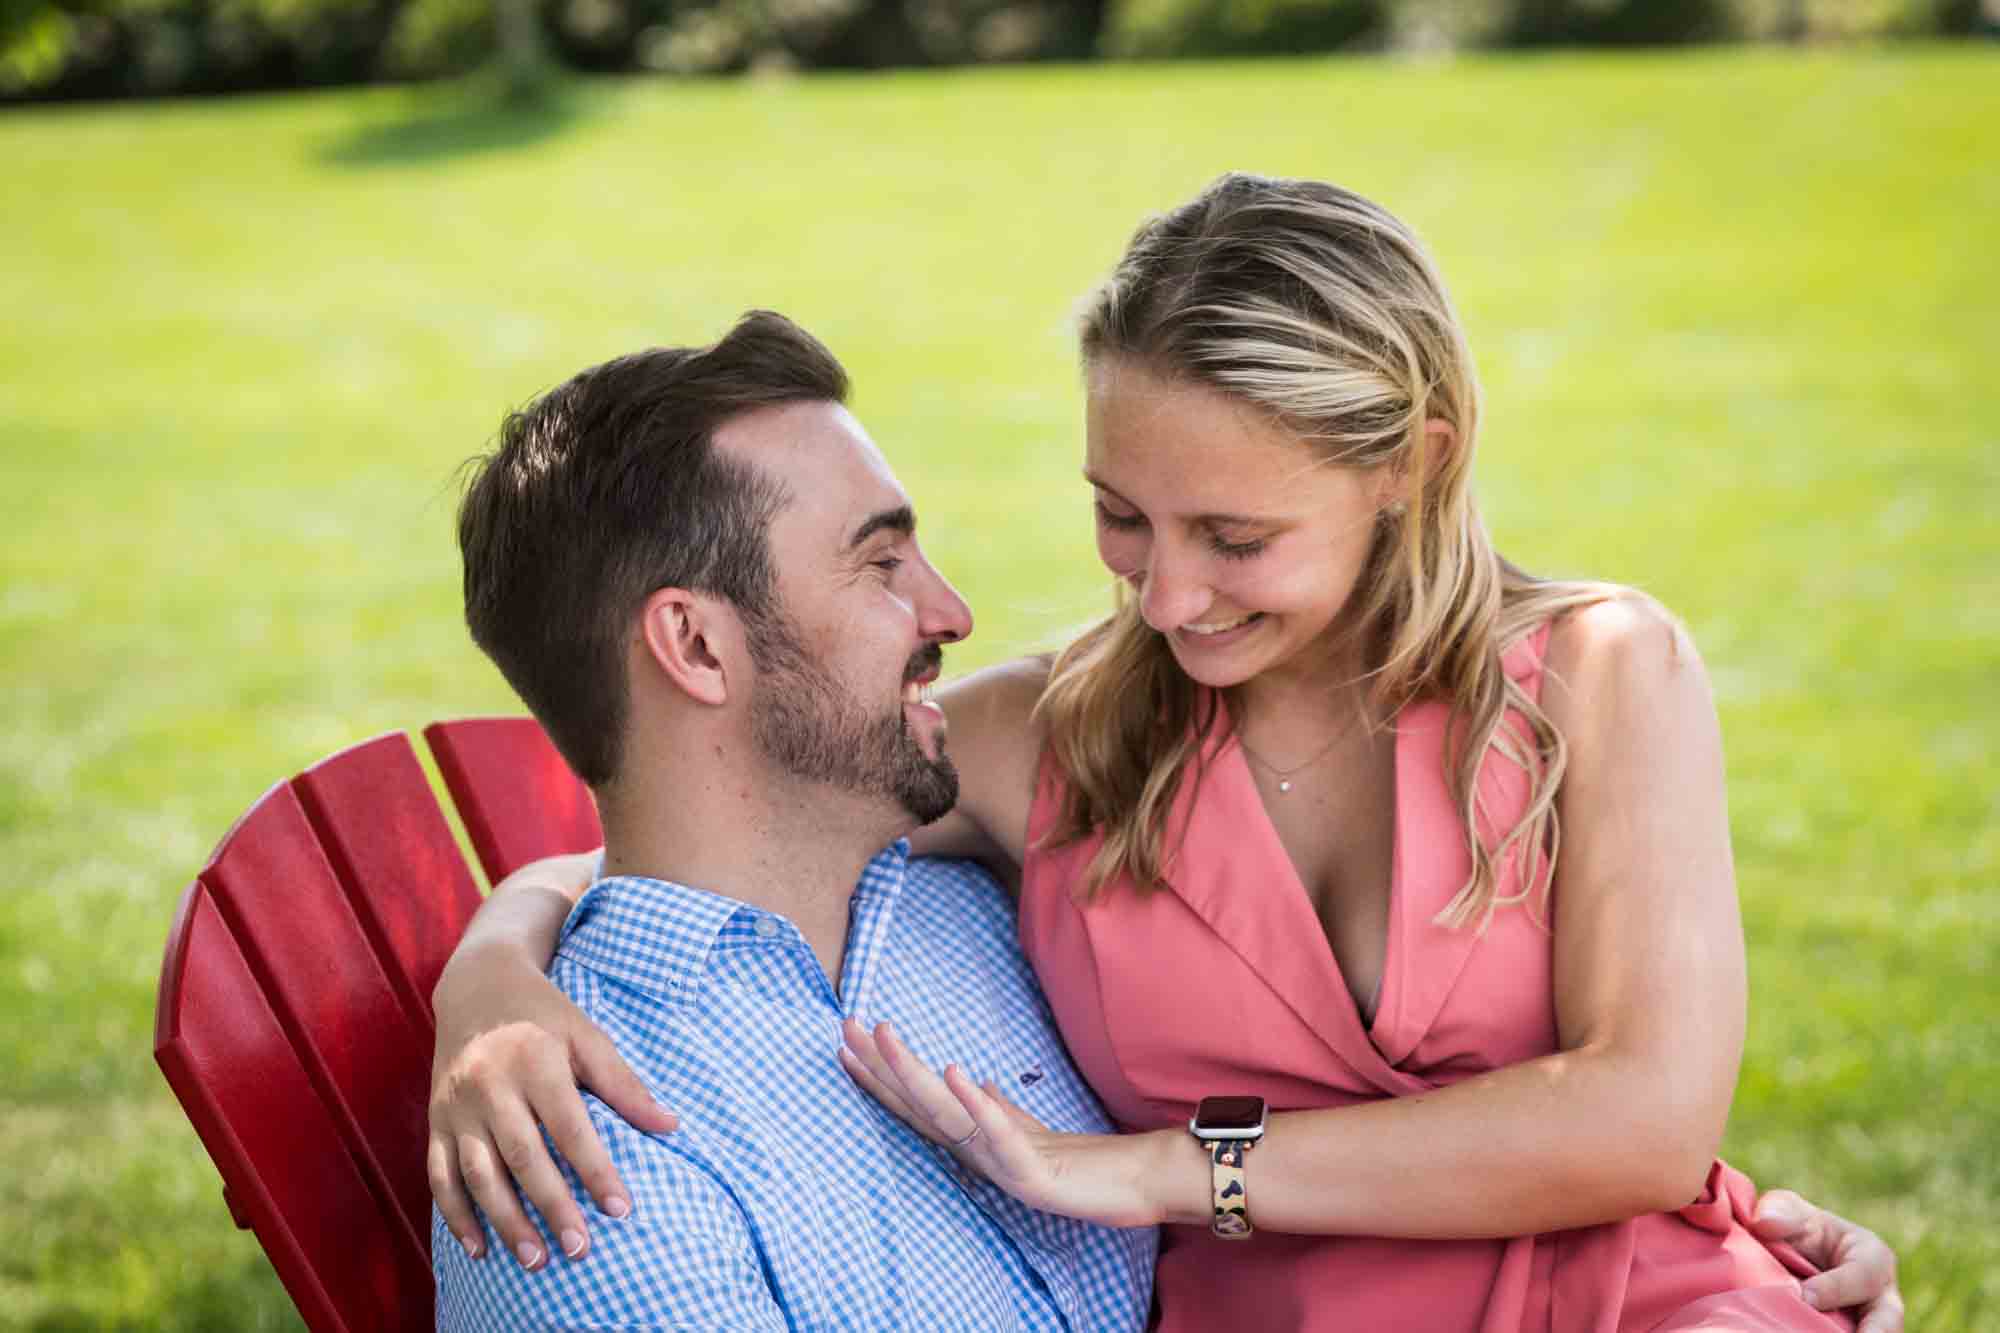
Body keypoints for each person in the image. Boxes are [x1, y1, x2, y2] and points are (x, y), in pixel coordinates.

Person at [428, 177, 1905, 1331]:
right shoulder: (1050, 735)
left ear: (1415, 466)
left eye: (1236, 537)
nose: (1166, 596)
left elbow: (1645, 1124)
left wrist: (1156, 1172)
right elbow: (700, 833)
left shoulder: (1596, 674)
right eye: (1122, 514)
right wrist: (490, 974)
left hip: (1634, 1296)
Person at [432, 311, 1156, 1330]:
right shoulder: (588, 1157)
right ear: (695, 644)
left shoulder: (973, 891)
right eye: (880, 564)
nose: (951, 612)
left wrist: (493, 951)